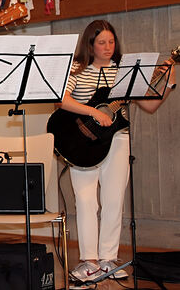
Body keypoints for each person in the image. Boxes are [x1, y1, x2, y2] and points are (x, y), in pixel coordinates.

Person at [59, 20, 176, 283]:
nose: (108, 47)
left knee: (114, 200)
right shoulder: (77, 70)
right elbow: (62, 100)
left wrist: (168, 82)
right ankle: (88, 261)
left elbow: (150, 106)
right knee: (87, 200)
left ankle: (108, 259)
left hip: (118, 140)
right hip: (82, 143)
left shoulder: (124, 71)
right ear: (90, 44)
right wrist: (93, 112)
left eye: (111, 42)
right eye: (101, 42)